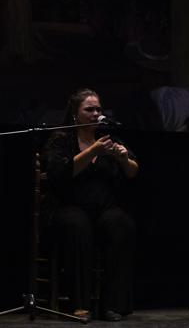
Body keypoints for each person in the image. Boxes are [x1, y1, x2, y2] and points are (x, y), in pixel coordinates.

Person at [43, 88, 138, 321]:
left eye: (98, 109)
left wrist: (124, 159)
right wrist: (93, 151)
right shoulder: (61, 140)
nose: (96, 113)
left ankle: (112, 304)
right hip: (68, 207)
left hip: (102, 208)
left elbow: (133, 172)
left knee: (121, 224)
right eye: (89, 109)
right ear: (75, 114)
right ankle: (79, 303)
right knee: (77, 225)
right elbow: (60, 173)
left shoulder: (109, 139)